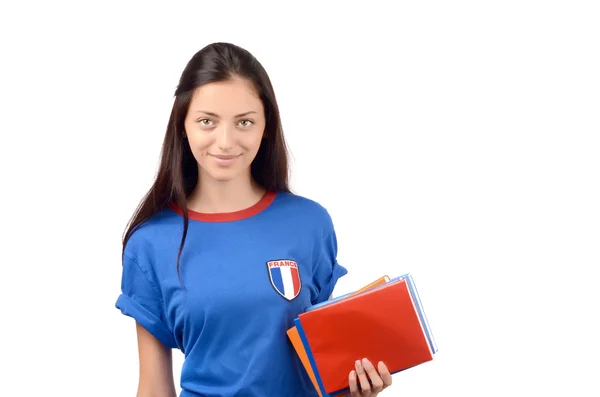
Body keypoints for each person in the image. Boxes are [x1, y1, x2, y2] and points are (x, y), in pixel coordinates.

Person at [115, 42, 393, 397]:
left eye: (244, 121)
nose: (226, 141)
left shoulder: (309, 224)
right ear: (183, 126)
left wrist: (356, 390)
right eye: (207, 122)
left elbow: (324, 364)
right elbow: (154, 387)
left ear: (266, 126)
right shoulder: (151, 243)